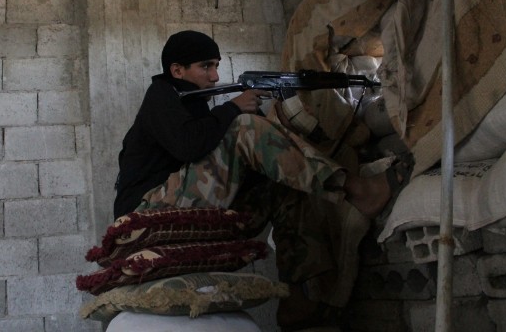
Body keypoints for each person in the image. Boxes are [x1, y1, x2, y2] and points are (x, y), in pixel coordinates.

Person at [114, 30, 410, 330]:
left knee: (284, 184)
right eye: (206, 66)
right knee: (244, 128)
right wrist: (233, 109)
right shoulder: (161, 94)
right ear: (177, 70)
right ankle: (357, 189)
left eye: (216, 65)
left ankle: (300, 296)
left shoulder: (193, 103)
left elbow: (202, 156)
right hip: (144, 212)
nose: (215, 77)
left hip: (181, 204)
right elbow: (188, 145)